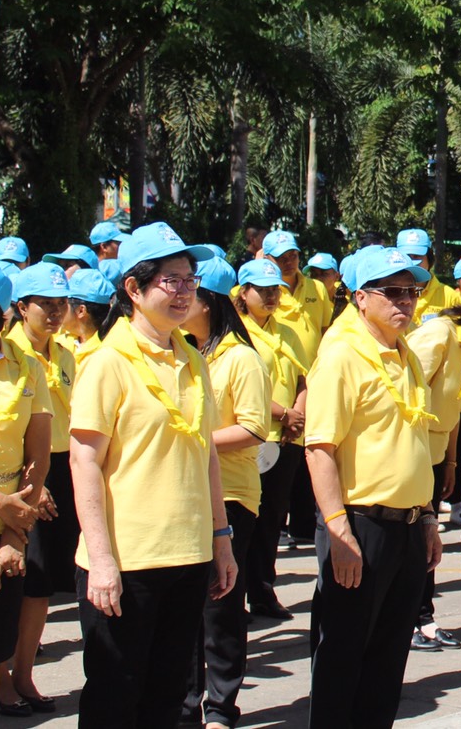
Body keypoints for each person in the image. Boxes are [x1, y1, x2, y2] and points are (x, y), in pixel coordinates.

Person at [70, 224, 238, 728]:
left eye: (190, 280)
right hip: (128, 560)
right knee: (115, 697)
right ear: (134, 289)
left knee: (168, 697)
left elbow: (206, 454)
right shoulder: (107, 362)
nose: (185, 291)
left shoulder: (192, 359)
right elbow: (84, 462)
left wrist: (221, 538)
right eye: (171, 280)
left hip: (187, 554)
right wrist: (101, 560)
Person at [305, 244, 442, 729]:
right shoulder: (342, 356)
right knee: (343, 656)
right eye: (393, 292)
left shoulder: (405, 355)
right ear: (360, 298)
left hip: (406, 524)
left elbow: (413, 442)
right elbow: (319, 449)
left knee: (388, 660)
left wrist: (427, 516)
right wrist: (338, 530)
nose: (405, 301)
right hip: (361, 524)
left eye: (412, 291)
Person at [181, 255, 271, 729]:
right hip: (184, 492)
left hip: (231, 494)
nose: (180, 299)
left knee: (220, 606)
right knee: (185, 609)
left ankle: (220, 706)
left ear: (210, 303)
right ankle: (185, 705)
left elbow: (254, 429)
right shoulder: (183, 354)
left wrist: (191, 442)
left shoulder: (240, 358)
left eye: (190, 292)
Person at [2, 262, 78, 713]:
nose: (54, 313)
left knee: (40, 583)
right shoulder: (8, 352)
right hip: (19, 477)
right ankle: (3, 679)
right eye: (44, 305)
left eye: (61, 304)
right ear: (20, 307)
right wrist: (35, 485)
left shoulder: (65, 354)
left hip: (59, 469)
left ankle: (23, 673)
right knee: (13, 578)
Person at [236, 258, 310, 621]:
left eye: (275, 291)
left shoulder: (287, 332)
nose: (271, 297)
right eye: (262, 291)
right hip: (252, 436)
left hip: (286, 439)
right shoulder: (237, 334)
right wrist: (283, 414)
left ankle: (263, 590)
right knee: (243, 522)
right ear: (243, 293)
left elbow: (302, 378)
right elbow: (244, 389)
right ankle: (233, 597)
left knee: (271, 519)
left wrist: (298, 413)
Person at [0, 268, 51, 719]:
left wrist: (15, 534)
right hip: (3, 509)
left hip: (8, 527)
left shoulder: (26, 365)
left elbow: (38, 453)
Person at [405, 305, 461, 652]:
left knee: (426, 544)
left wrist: (451, 461)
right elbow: (407, 395)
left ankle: (424, 617)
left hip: (434, 454)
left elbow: (456, 409)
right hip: (410, 455)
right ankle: (406, 620)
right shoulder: (439, 335)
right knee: (411, 543)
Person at [257, 231, 328, 362]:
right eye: (281, 258)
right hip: (280, 369)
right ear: (266, 259)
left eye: (293, 256)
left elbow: (326, 331)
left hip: (314, 370)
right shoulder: (260, 293)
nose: (289, 262)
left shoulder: (318, 288)